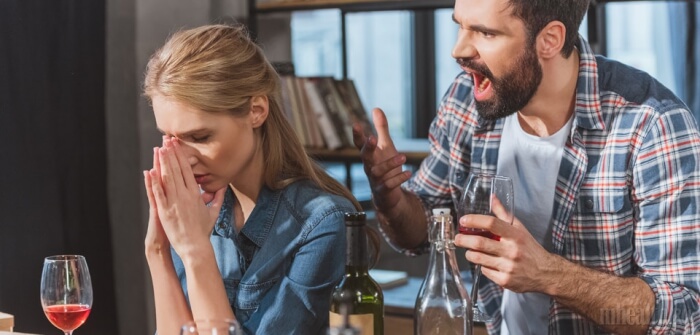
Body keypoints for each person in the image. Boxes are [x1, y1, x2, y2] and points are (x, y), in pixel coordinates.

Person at [354, 0, 700, 334]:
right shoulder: (466, 100)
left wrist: (548, 274)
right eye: (460, 26)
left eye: (485, 33)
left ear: (550, 39)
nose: (458, 50)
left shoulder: (653, 126)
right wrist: (391, 197)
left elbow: (684, 314)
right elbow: (422, 232)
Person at [141, 24, 360, 335]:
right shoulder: (193, 210)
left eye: (200, 137)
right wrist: (158, 250)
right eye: (170, 138)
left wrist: (195, 251)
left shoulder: (322, 224)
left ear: (256, 110)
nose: (184, 160)